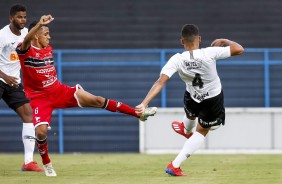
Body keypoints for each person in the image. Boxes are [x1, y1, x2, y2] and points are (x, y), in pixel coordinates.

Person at [16, 14, 157, 177]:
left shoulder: (48, 49)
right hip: (40, 98)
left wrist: (41, 27)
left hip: (59, 91)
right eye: (46, 34)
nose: (50, 37)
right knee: (40, 132)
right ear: (36, 35)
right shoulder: (25, 50)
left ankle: (137, 113)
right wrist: (39, 23)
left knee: (96, 100)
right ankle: (47, 163)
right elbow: (26, 41)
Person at [135, 24, 244, 176]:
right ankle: (174, 165)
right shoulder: (210, 52)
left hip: (192, 97)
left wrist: (144, 103)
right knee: (203, 130)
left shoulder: (177, 59)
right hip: (212, 99)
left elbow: (160, 82)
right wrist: (224, 40)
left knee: (191, 115)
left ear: (182, 41)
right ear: (199, 39)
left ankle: (186, 130)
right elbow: (239, 49)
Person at [0, 4, 44, 172]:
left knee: (28, 114)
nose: (22, 20)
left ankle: (28, 162)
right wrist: (5, 76)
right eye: (19, 17)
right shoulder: (2, 35)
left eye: (24, 17)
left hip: (14, 83)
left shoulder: (26, 33)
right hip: (1, 78)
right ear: (11, 18)